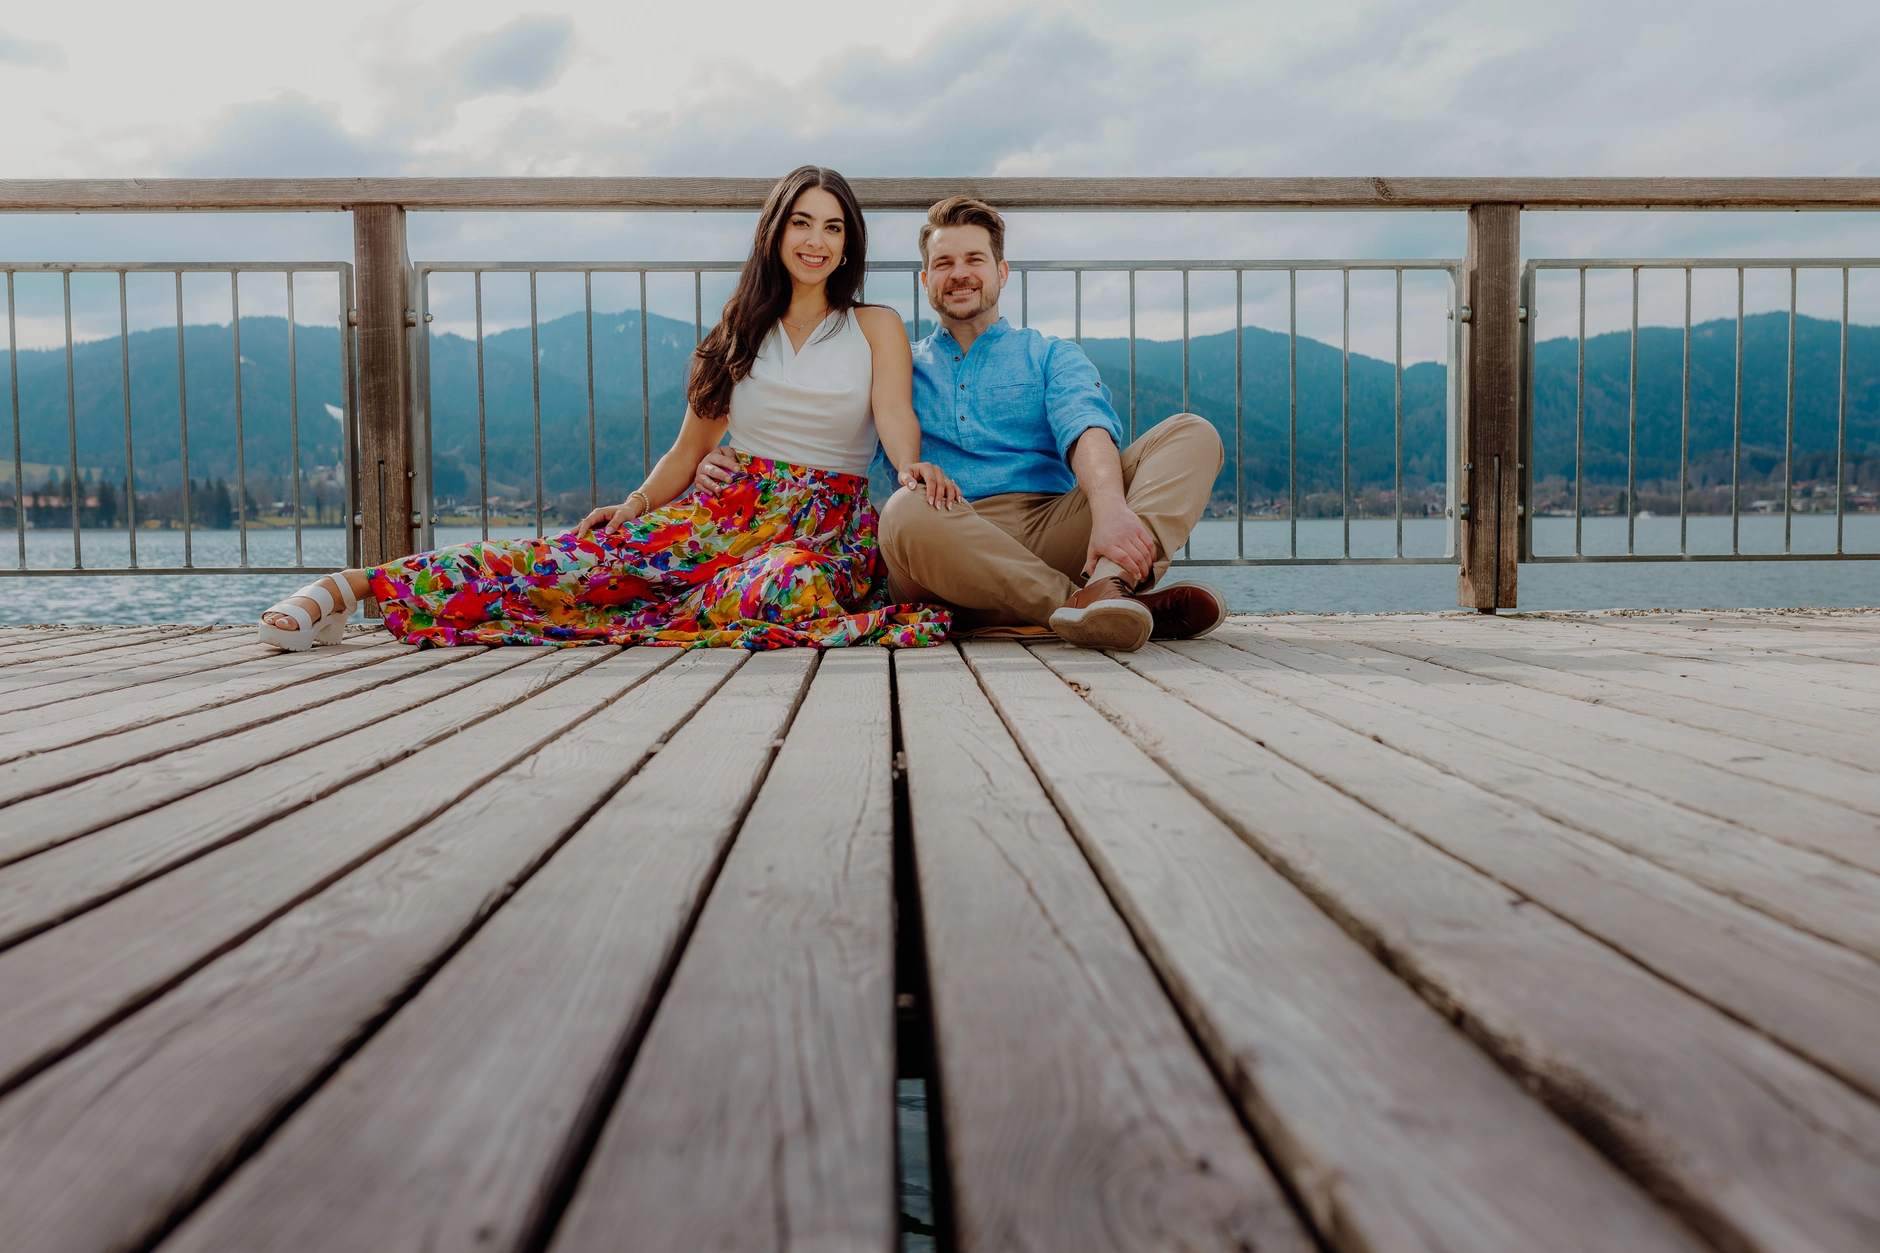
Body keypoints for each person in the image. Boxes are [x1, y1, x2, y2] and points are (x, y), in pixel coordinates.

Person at [257, 166, 956, 652]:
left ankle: (650, 604)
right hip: (723, 511)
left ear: (848, 241)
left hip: (819, 529)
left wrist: (909, 467)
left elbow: (895, 413)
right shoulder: (738, 327)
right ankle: (351, 586)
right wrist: (632, 505)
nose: (817, 240)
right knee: (568, 562)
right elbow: (689, 451)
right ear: (775, 231)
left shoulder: (876, 324)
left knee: (788, 588)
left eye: (833, 228)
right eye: (802, 222)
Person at [697, 196, 1226, 652]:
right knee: (903, 511)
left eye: (974, 258)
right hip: (943, 542)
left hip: (1052, 524)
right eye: (944, 262)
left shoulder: (1048, 354)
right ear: (926, 280)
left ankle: (1104, 587)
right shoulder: (893, 359)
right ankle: (1088, 604)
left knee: (1191, 433)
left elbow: (1085, 426)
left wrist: (1108, 509)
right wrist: (730, 453)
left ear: (1002, 271)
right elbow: (816, 409)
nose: (960, 273)